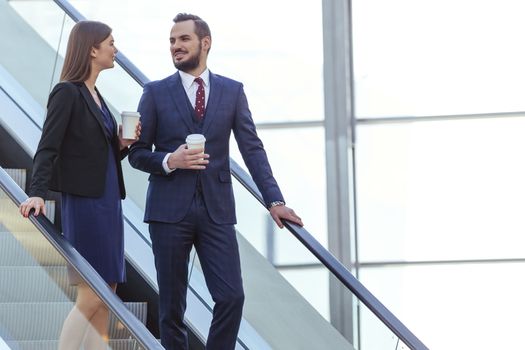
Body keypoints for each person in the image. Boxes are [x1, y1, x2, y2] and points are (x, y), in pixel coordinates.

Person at [128, 13, 304, 350]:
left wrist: (275, 201)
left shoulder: (232, 91)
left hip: (216, 211)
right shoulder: (154, 92)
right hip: (168, 212)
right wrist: (169, 160)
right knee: (172, 307)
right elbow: (137, 153)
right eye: (172, 41)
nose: (176, 47)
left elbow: (252, 149)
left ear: (204, 43)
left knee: (231, 297)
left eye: (183, 39)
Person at [19, 21, 139, 350]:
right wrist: (37, 193)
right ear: (92, 49)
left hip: (109, 202)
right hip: (86, 203)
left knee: (107, 292)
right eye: (111, 43)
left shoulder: (96, 95)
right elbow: (48, 146)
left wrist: (122, 144)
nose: (116, 49)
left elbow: (98, 154)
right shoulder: (67, 92)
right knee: (90, 295)